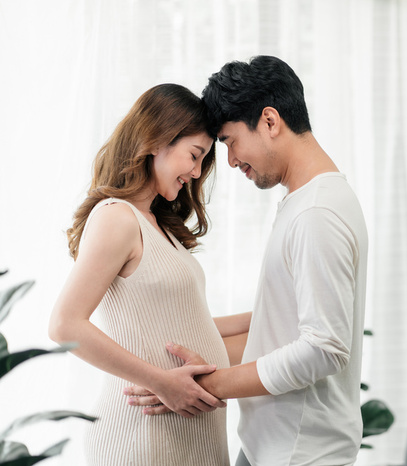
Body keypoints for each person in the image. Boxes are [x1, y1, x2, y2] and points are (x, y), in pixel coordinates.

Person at [126, 56, 369, 466]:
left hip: (299, 454)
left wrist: (210, 386)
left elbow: (324, 348)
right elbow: (281, 325)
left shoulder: (316, 214)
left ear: (270, 121)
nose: (232, 160)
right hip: (273, 449)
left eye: (228, 141)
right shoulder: (306, 203)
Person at [48, 83, 231, 466]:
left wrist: (275, 313)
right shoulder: (118, 216)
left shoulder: (157, 225)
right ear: (157, 139)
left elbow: (185, 325)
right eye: (194, 156)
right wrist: (161, 382)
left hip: (182, 434)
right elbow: (65, 325)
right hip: (144, 436)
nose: (196, 173)